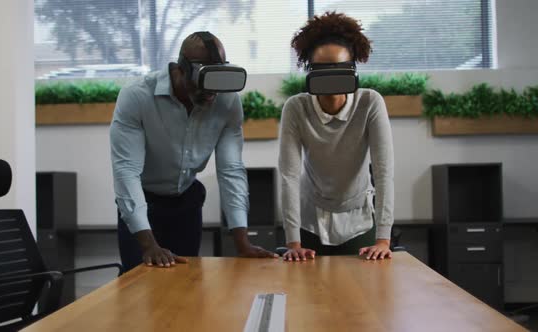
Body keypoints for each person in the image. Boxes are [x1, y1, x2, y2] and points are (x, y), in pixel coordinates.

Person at [111, 31, 277, 272]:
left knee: (186, 286)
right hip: (143, 202)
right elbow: (126, 172)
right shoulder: (137, 97)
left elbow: (231, 170)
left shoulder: (226, 100)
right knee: (140, 288)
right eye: (202, 84)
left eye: (215, 85)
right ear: (180, 70)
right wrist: (148, 245)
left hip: (187, 202)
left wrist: (243, 243)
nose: (211, 95)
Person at [279, 12, 395, 262]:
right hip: (309, 224)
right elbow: (289, 175)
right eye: (321, 70)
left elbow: (384, 172)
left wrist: (383, 240)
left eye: (339, 69)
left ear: (352, 70)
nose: (330, 77)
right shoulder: (296, 107)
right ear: (309, 71)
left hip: (358, 222)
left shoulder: (370, 102)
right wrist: (293, 242)